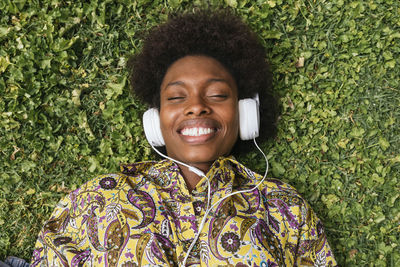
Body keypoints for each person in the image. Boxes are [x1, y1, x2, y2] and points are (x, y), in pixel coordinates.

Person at [31, 10, 337, 266]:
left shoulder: (285, 209)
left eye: (217, 94)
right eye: (177, 97)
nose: (196, 107)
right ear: (155, 120)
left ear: (245, 114)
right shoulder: (95, 200)